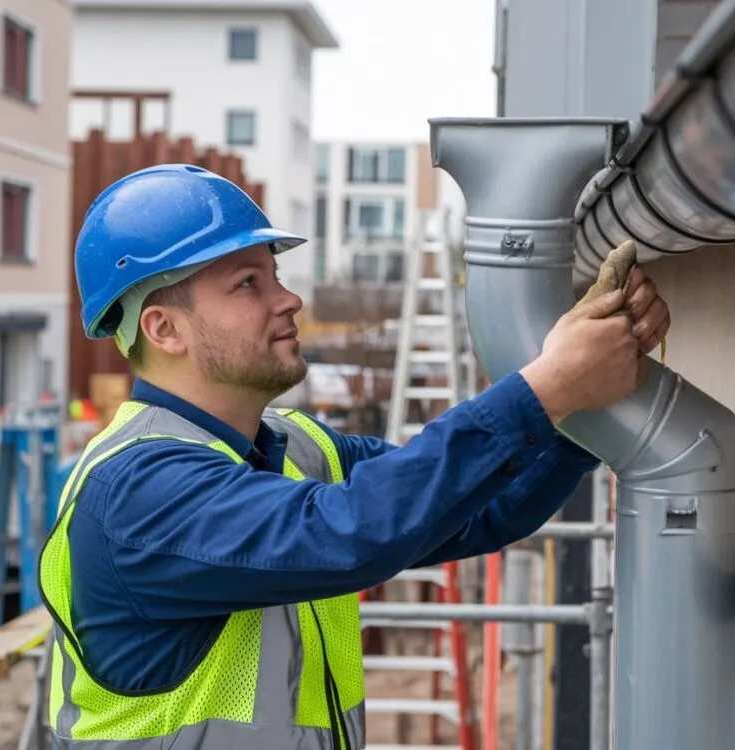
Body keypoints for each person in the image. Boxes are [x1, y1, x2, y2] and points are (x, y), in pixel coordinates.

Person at [38, 164, 670, 749]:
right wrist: (550, 385)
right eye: (248, 284)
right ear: (164, 330)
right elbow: (354, 531)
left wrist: (581, 406)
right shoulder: (137, 489)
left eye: (276, 276)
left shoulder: (298, 448)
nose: (288, 300)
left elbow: (476, 507)